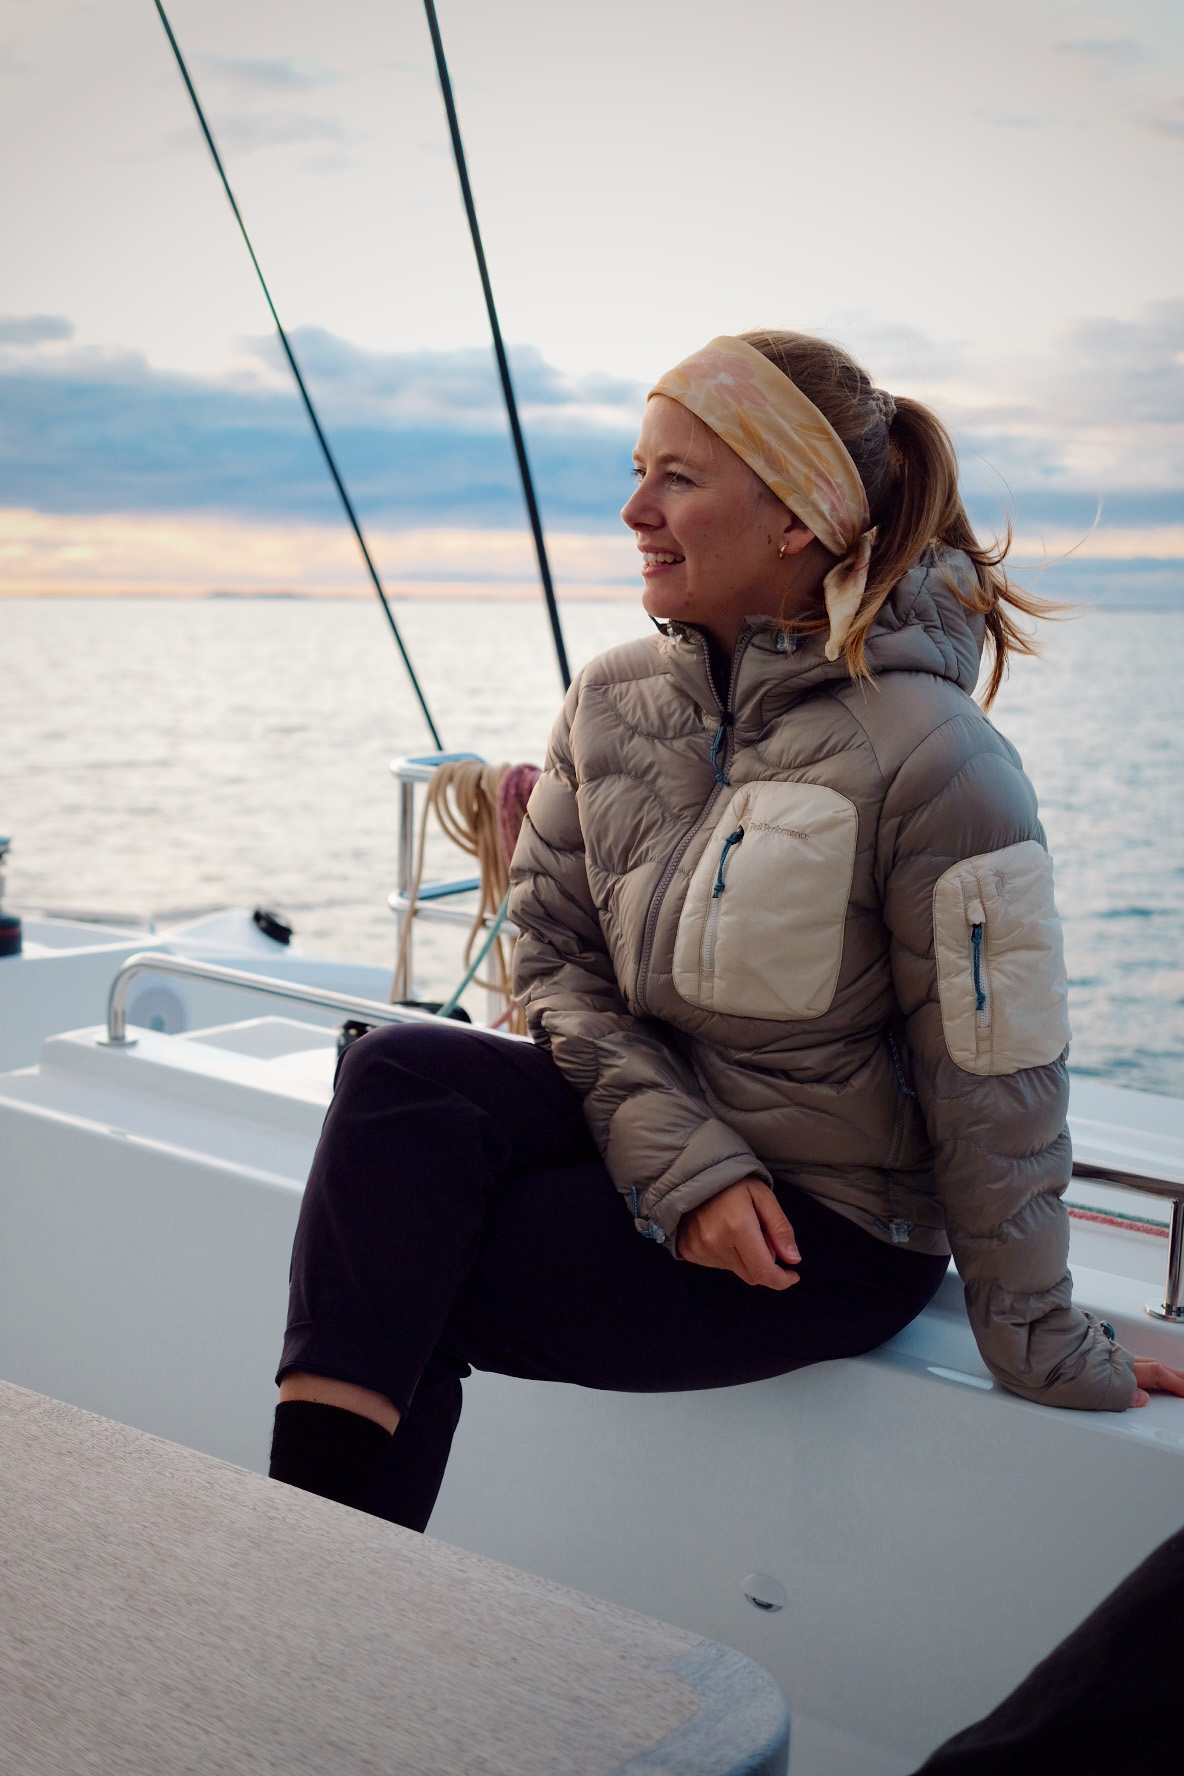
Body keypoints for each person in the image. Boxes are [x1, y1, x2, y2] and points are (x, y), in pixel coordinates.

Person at [269, 330, 1184, 1529]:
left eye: (676, 479)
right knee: (394, 1078)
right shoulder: (611, 700)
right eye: (639, 469)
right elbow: (547, 957)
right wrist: (682, 1163)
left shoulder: (935, 758)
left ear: (794, 518)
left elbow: (994, 1076)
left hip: (823, 1232)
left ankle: (307, 1607)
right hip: (656, 1139)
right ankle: (302, 1582)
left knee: (392, 1277)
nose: (632, 508)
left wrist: (1040, 1333)